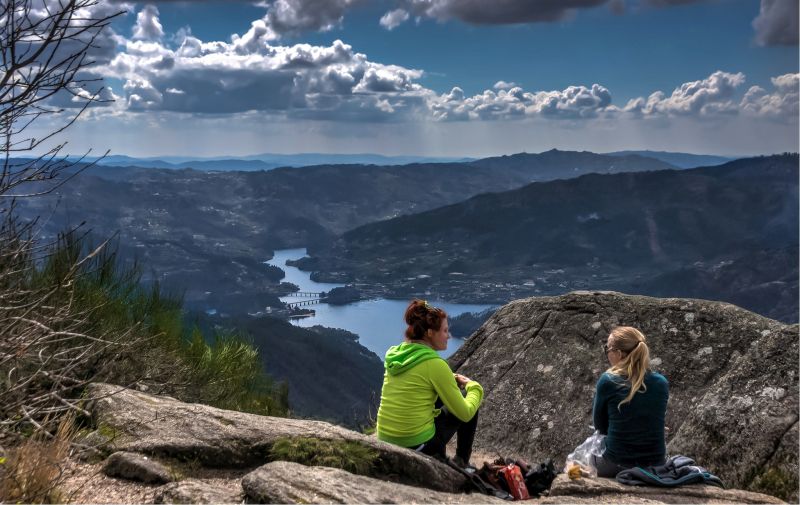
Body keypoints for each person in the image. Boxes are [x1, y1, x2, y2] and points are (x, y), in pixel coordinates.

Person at [376, 299, 484, 467]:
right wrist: (474, 387)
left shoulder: (396, 355)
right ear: (430, 333)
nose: (448, 336)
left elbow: (417, 384)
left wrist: (448, 378)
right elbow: (464, 413)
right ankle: (462, 462)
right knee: (467, 400)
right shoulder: (435, 364)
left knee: (445, 395)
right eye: (445, 330)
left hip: (384, 439)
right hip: (418, 446)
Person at [591, 326, 669, 478]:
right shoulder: (661, 382)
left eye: (608, 348)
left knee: (589, 454)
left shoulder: (608, 381)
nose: (607, 353)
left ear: (619, 354)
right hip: (656, 464)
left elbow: (599, 426)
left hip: (617, 464)